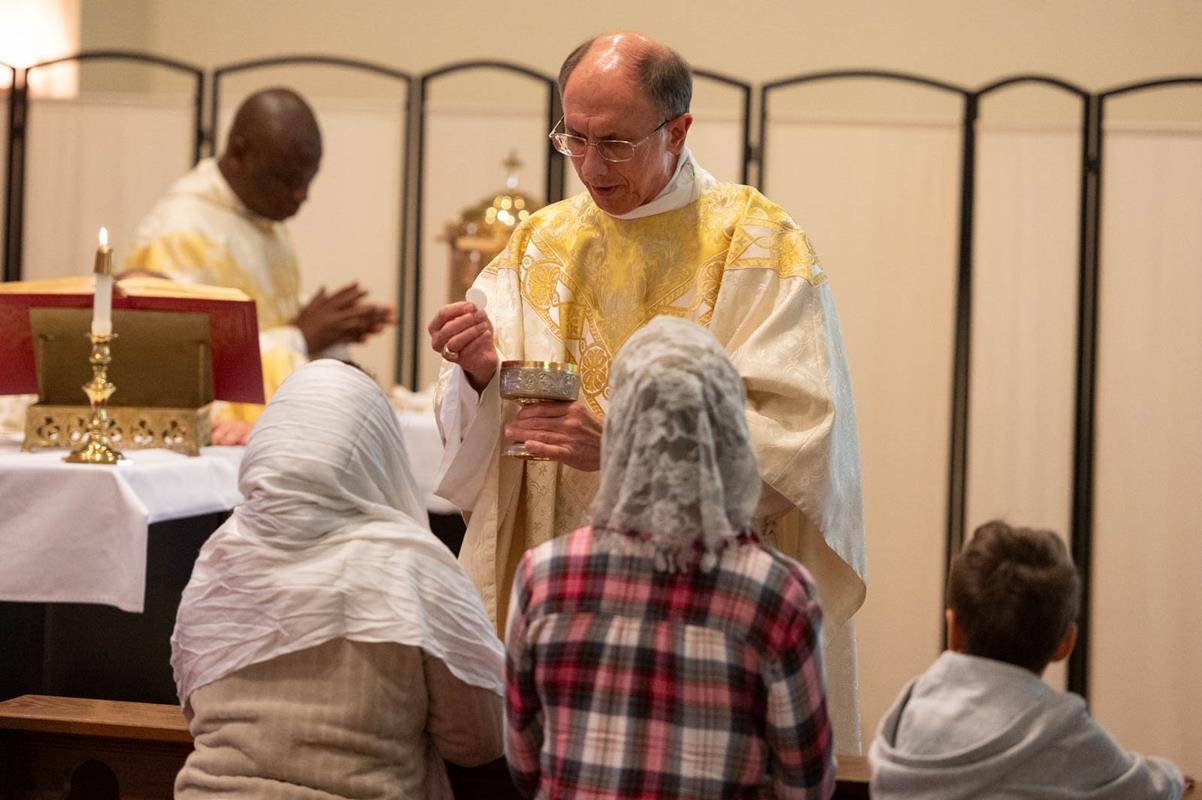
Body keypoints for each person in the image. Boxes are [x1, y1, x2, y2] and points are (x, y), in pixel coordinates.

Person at [428, 31, 866, 750]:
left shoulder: (755, 244)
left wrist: (619, 447)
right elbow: (485, 425)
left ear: (678, 130)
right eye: (574, 138)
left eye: (616, 143)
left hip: (709, 613)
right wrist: (478, 370)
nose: (591, 167)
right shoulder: (541, 243)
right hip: (566, 587)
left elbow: (801, 432)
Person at [505, 317, 835, 799]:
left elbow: (524, 759)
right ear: (729, 434)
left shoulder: (546, 576)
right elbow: (805, 786)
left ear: (620, 431)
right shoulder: (777, 594)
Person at [171, 359, 504, 799]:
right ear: (378, 448)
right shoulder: (412, 566)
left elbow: (195, 708)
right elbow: (477, 740)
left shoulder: (222, 555)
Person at [125, 87, 393, 444]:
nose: (302, 197)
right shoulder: (181, 232)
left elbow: (267, 328)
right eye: (287, 181)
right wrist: (301, 335)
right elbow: (181, 372)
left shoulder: (263, 220)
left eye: (308, 181)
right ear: (239, 152)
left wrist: (326, 335)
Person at [869, 520, 1190, 799]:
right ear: (1066, 644)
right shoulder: (1066, 734)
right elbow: (1145, 788)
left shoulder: (908, 714)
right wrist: (1172, 776)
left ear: (953, 630)